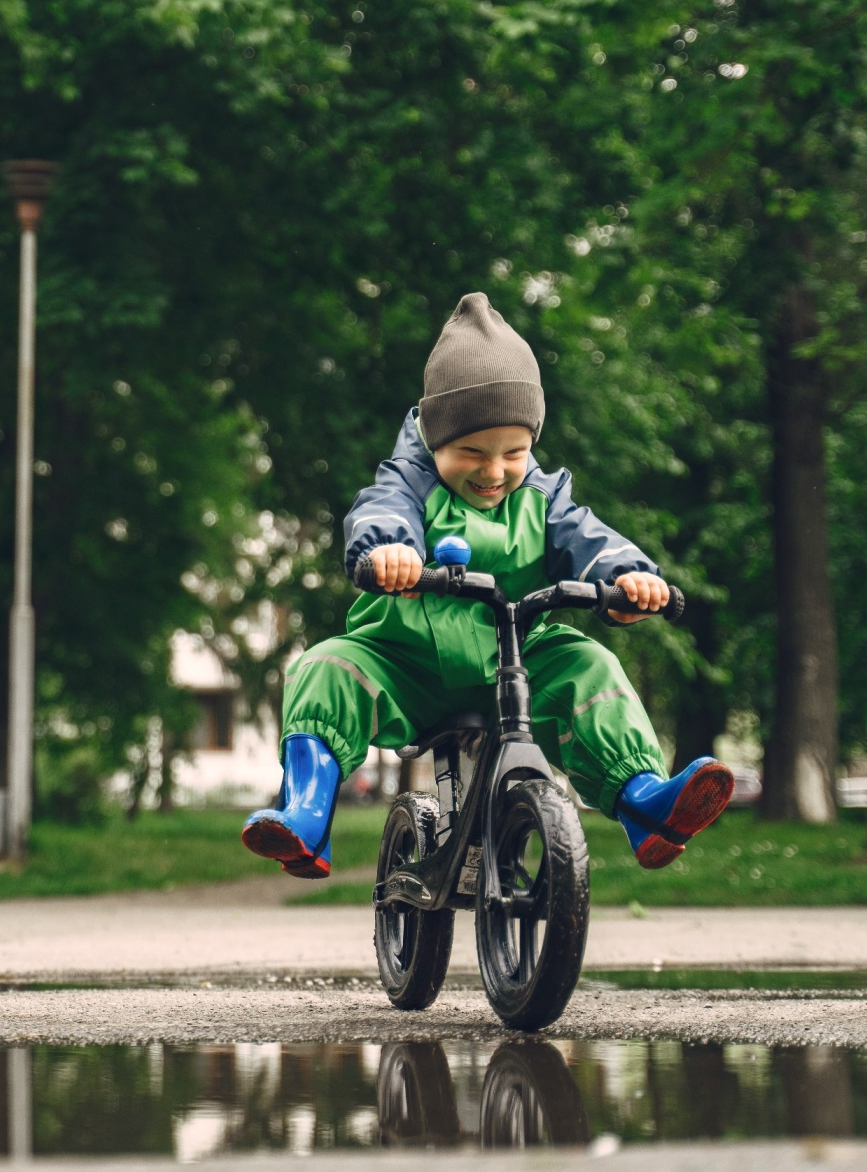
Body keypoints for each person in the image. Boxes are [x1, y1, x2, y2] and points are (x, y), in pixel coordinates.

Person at [242, 293, 733, 879]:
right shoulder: (409, 484)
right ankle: (305, 813)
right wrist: (389, 553)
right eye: (471, 451)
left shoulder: (544, 501)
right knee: (325, 667)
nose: (494, 471)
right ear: (434, 439)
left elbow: (590, 538)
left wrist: (628, 580)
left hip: (518, 663)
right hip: (406, 664)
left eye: (514, 452)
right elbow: (383, 512)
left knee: (591, 666)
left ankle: (646, 801)